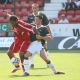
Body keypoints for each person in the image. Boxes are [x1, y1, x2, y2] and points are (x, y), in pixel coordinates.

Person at [27, 3, 53, 68]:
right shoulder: (30, 16)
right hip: (33, 35)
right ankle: (32, 64)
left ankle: (48, 62)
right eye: (33, 8)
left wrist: (51, 34)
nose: (34, 9)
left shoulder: (42, 15)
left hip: (42, 33)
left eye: (35, 8)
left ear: (38, 8)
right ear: (32, 8)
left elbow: (47, 25)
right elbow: (28, 26)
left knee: (45, 47)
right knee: (31, 48)